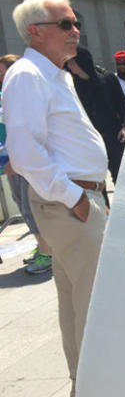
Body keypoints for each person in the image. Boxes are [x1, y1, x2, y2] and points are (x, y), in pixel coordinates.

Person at [1, 0, 109, 397]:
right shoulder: (28, 75)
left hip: (78, 199)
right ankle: (95, 394)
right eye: (65, 24)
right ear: (36, 32)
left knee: (76, 299)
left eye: (75, 22)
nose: (76, 30)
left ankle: (88, 391)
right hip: (70, 203)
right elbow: (25, 153)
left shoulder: (54, 73)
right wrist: (77, 199)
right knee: (94, 300)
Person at [1, 53, 54, 274]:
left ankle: (47, 253)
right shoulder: (6, 94)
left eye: (2, 72)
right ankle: (42, 246)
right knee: (20, 202)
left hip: (21, 159)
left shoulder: (21, 93)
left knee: (30, 206)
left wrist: (18, 157)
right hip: (9, 158)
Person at [66, 47, 125, 185]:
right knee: (96, 181)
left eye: (72, 61)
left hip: (114, 137)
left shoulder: (107, 79)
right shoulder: (71, 86)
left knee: (121, 177)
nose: (69, 65)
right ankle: (104, 207)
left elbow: (123, 106)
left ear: (81, 62)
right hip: (91, 140)